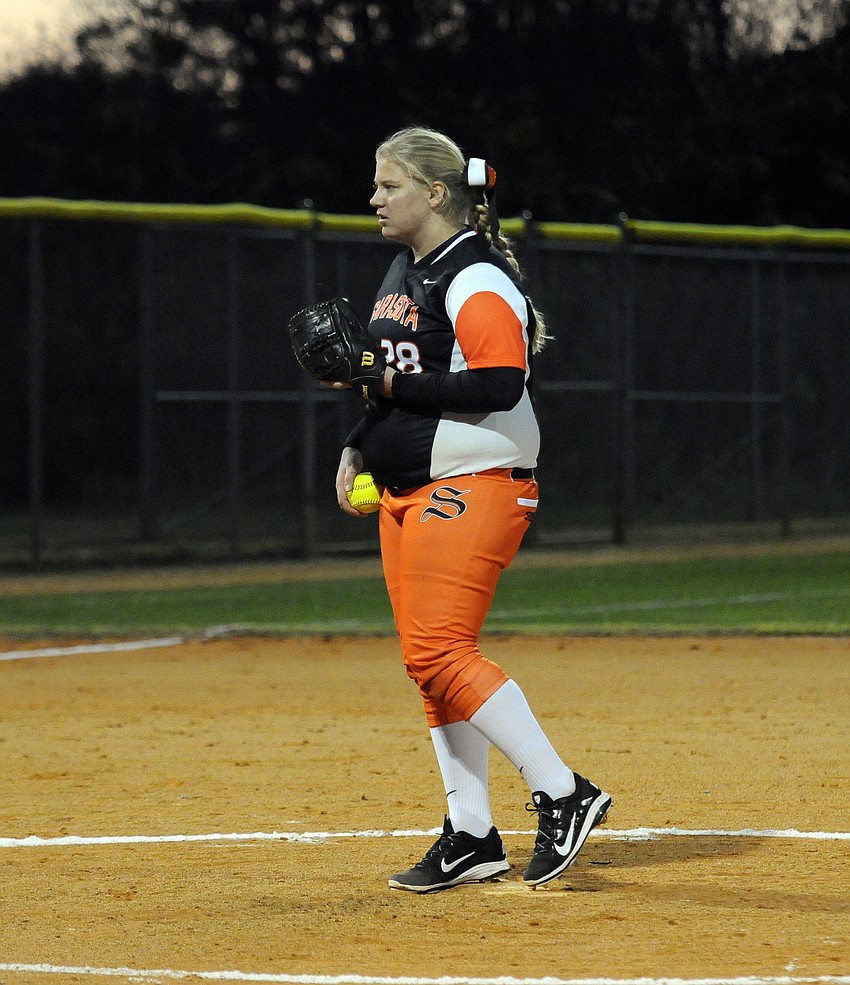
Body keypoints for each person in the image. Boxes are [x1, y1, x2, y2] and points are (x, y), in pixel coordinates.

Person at [333, 126, 611, 892]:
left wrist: (386, 392)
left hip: (476, 480)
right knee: (430, 668)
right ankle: (472, 834)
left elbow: (499, 382)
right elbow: (398, 373)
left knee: (439, 652)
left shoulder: (474, 276)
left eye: (389, 185)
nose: (375, 198)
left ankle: (564, 790)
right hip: (406, 486)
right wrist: (359, 441)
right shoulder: (403, 268)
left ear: (434, 192)